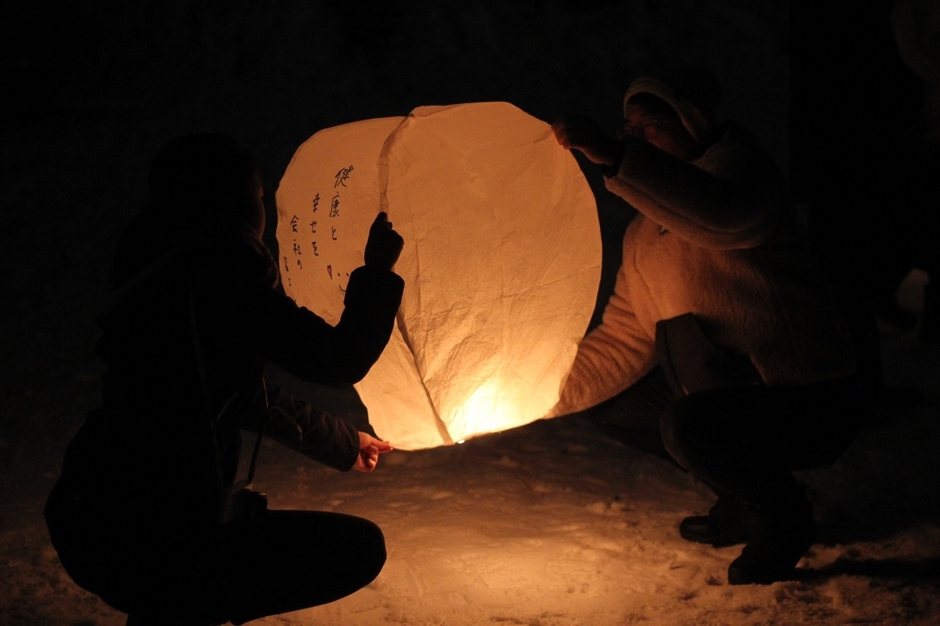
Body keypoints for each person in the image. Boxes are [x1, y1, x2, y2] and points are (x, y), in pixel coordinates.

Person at [44, 133, 405, 625]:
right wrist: (377, 271)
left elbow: (238, 395)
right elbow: (334, 360)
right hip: (156, 528)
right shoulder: (219, 275)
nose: (263, 210)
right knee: (355, 549)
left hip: (95, 514)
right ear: (228, 202)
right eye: (258, 194)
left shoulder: (158, 267)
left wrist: (344, 442)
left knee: (173, 584)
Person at [550, 67, 860, 585]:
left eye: (652, 127)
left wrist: (617, 157)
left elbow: (722, 217)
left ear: (692, 122)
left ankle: (783, 516)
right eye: (630, 130)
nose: (638, 139)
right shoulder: (644, 234)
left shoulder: (747, 181)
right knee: (616, 403)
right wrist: (531, 391)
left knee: (690, 424)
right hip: (724, 398)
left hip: (809, 400)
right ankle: (741, 495)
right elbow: (625, 339)